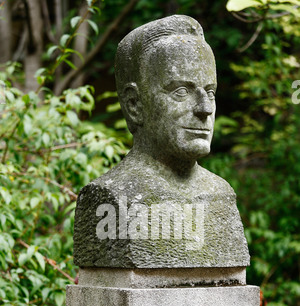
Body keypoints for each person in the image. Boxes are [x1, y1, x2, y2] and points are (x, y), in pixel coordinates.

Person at [73, 15, 250, 268]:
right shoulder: (114, 198)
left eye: (210, 92)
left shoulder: (221, 195)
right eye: (181, 92)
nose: (204, 109)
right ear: (135, 105)